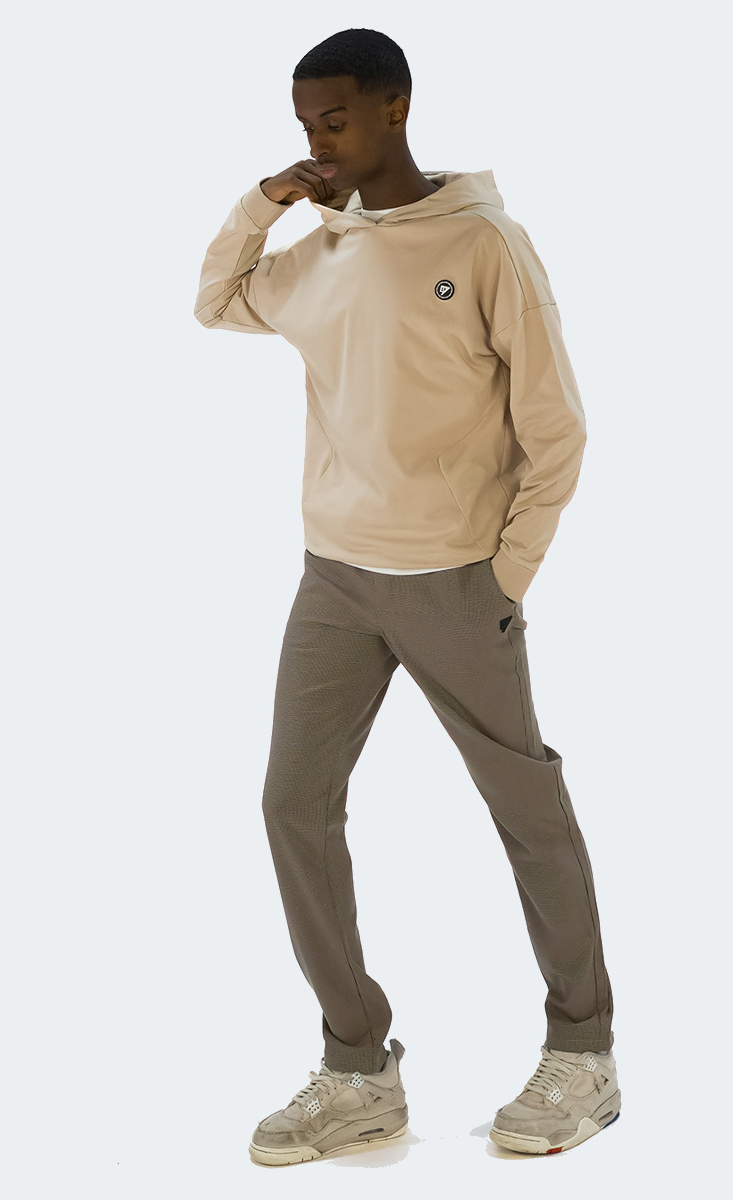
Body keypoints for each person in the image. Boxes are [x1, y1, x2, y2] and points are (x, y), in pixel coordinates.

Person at [193, 27, 620, 1166]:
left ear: (395, 109)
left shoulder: (485, 245)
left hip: (454, 580)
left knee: (525, 810)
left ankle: (583, 1052)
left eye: (332, 120)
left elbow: (557, 430)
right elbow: (217, 300)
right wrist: (266, 201)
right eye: (303, 124)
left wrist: (504, 576)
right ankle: (357, 1069)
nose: (317, 142)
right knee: (292, 804)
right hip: (334, 578)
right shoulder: (320, 251)